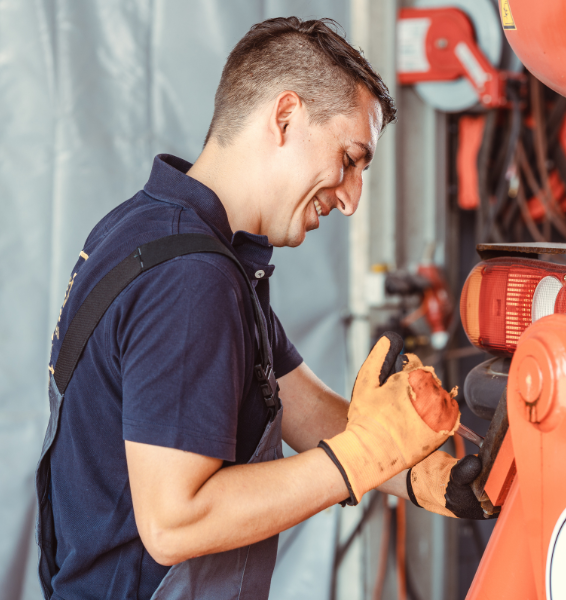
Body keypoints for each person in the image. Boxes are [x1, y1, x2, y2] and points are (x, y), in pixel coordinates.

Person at [36, 17, 487, 600]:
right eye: (350, 159)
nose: (351, 200)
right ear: (284, 117)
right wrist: (359, 458)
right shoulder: (190, 279)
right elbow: (175, 522)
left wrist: (427, 478)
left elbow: (304, 408)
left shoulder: (155, 233)